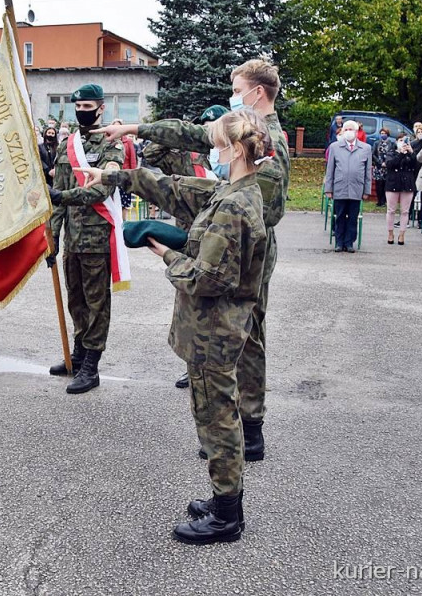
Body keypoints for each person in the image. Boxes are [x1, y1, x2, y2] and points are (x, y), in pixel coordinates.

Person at [81, 109, 270, 545]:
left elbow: (208, 278)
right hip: (216, 328)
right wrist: (119, 178)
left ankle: (226, 517)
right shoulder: (236, 192)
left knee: (216, 419)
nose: (213, 152)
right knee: (215, 414)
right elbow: (177, 190)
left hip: (213, 330)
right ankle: (225, 499)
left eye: (218, 145)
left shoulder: (234, 206)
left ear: (236, 150)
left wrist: (162, 252)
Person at [95, 62, 288, 461]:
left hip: (245, 254)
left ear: (257, 93)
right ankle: (232, 426)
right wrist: (134, 130)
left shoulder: (272, 142)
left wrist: (198, 236)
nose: (232, 94)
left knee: (244, 336)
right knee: (236, 336)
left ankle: (246, 429)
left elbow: (260, 211)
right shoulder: (245, 126)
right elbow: (194, 134)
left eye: (236, 88)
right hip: (229, 241)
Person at [47, 84, 126, 394]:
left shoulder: (111, 146)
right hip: (72, 241)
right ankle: (78, 355)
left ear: (101, 108)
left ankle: (91, 365)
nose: (83, 112)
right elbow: (56, 202)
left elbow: (102, 188)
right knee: (76, 300)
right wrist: (51, 236)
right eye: (78, 108)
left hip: (96, 239)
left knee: (96, 303)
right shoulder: (67, 145)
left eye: (88, 107)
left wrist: (62, 196)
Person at [325, 121, 372, 253]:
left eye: (351, 129)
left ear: (357, 132)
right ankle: (339, 242)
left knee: (352, 217)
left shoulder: (366, 148)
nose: (348, 131)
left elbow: (368, 172)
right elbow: (330, 170)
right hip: (340, 187)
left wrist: (366, 190)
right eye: (346, 129)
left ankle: (349, 242)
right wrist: (329, 188)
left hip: (356, 188)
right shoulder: (335, 147)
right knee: (339, 217)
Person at [384, 136, 418, 245]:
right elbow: (390, 164)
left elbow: (416, 165)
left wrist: (411, 153)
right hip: (393, 183)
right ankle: (390, 233)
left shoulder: (410, 154)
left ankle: (402, 234)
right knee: (391, 210)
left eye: (405, 141)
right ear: (397, 142)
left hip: (407, 184)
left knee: (405, 211)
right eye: (401, 141)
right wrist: (401, 154)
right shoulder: (391, 152)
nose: (403, 143)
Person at [371, 128, 393, 207]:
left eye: (384, 133)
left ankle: (384, 201)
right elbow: (373, 154)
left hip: (387, 167)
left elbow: (392, 154)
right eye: (382, 133)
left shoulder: (391, 143)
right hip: (378, 167)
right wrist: (379, 162)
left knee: (385, 184)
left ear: (387, 134)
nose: (383, 135)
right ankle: (379, 200)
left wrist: (386, 162)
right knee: (378, 184)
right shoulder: (377, 143)